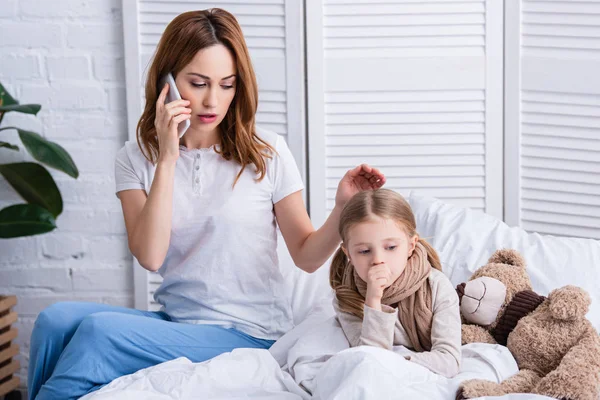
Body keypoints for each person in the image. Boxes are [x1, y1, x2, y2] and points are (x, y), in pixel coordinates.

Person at [27, 8, 385, 400]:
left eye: (227, 85)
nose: (213, 100)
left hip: (248, 332)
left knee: (97, 333)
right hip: (176, 321)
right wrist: (167, 157)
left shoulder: (267, 153)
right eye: (197, 83)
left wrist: (342, 208)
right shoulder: (135, 158)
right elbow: (150, 254)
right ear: (168, 82)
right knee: (53, 321)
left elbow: (306, 255)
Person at [329, 189, 461, 378]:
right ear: (348, 254)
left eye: (391, 247)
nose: (378, 260)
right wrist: (373, 300)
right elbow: (370, 360)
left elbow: (449, 360)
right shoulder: (346, 297)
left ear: (411, 246)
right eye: (365, 251)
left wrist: (397, 362)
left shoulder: (438, 287)